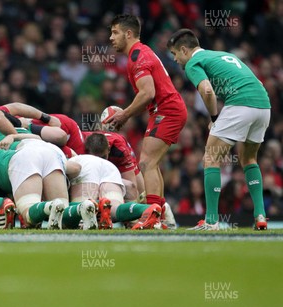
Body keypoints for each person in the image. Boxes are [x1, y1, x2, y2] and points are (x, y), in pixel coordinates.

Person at [167, 28, 271, 230]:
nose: (176, 60)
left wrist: (215, 118)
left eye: (175, 54)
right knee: (249, 159)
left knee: (210, 159)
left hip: (240, 104)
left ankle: (211, 221)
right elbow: (256, 81)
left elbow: (207, 91)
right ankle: (260, 215)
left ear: (184, 50)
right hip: (263, 105)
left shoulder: (193, 63)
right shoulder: (224, 55)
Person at [106, 14, 188, 217]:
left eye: (115, 32)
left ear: (128, 33)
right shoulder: (140, 53)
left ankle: (151, 215)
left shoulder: (138, 56)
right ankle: (160, 213)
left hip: (167, 110)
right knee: (152, 163)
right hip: (165, 109)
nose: (111, 37)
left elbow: (147, 93)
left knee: (146, 163)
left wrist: (124, 115)